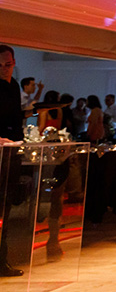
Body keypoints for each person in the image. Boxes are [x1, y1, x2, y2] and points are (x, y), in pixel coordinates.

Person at [0, 45, 24, 276]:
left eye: (7, 65)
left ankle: (2, 261)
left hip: (11, 152)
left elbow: (14, 120)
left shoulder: (14, 86)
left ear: (13, 63)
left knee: (5, 208)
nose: (3, 69)